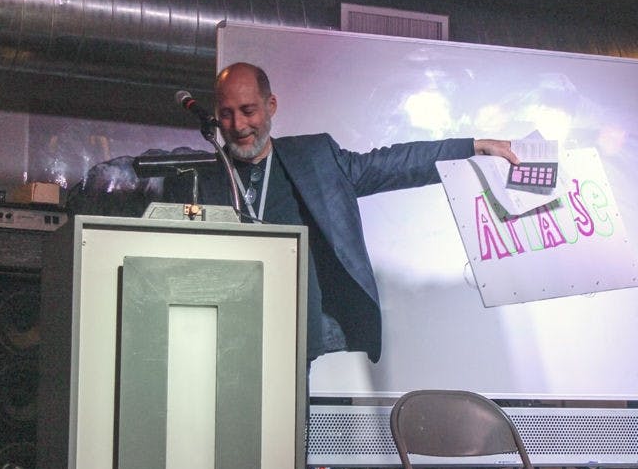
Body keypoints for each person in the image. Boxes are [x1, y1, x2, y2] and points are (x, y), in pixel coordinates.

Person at [165, 61, 517, 364]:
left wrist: (471, 147)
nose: (238, 125)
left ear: (270, 106)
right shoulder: (201, 172)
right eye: (226, 114)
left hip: (294, 336)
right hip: (217, 333)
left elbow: (393, 164)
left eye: (248, 111)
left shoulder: (316, 158)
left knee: (285, 440)